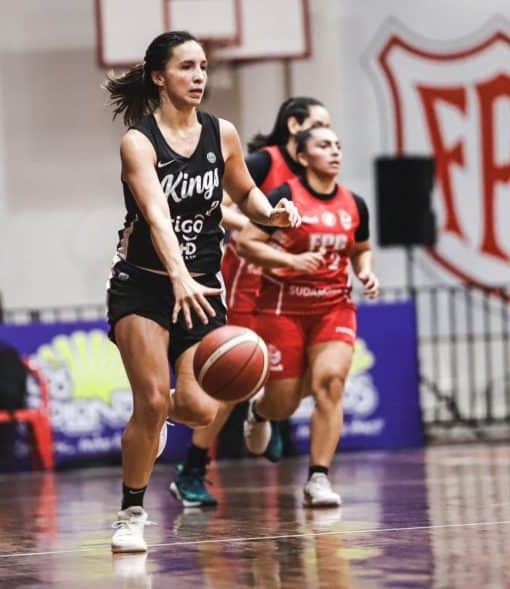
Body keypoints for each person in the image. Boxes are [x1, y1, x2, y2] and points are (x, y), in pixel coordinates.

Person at [103, 30, 300, 553]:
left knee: (198, 410)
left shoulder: (223, 133)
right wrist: (178, 274)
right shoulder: (139, 142)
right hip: (144, 287)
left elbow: (246, 194)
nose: (199, 77)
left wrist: (272, 214)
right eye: (187, 67)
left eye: (204, 68)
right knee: (147, 400)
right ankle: (131, 511)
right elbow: (157, 218)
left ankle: (156, 417)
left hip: (203, 287)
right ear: (159, 76)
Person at [169, 97, 331, 508]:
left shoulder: (317, 180)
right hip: (247, 282)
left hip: (290, 289)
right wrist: (261, 224)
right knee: (229, 378)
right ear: (294, 126)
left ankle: (266, 413)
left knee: (313, 373)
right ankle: (193, 468)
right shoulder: (262, 161)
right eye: (318, 124)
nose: (327, 136)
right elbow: (216, 207)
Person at [237, 126, 379, 507]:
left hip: (334, 306)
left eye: (337, 145)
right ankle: (259, 412)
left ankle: (318, 477)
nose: (334, 152)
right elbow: (245, 243)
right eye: (323, 146)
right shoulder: (284, 198)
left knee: (330, 383)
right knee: (283, 402)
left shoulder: (354, 203)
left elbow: (361, 248)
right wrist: (291, 260)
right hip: (283, 309)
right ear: (302, 157)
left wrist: (365, 269)